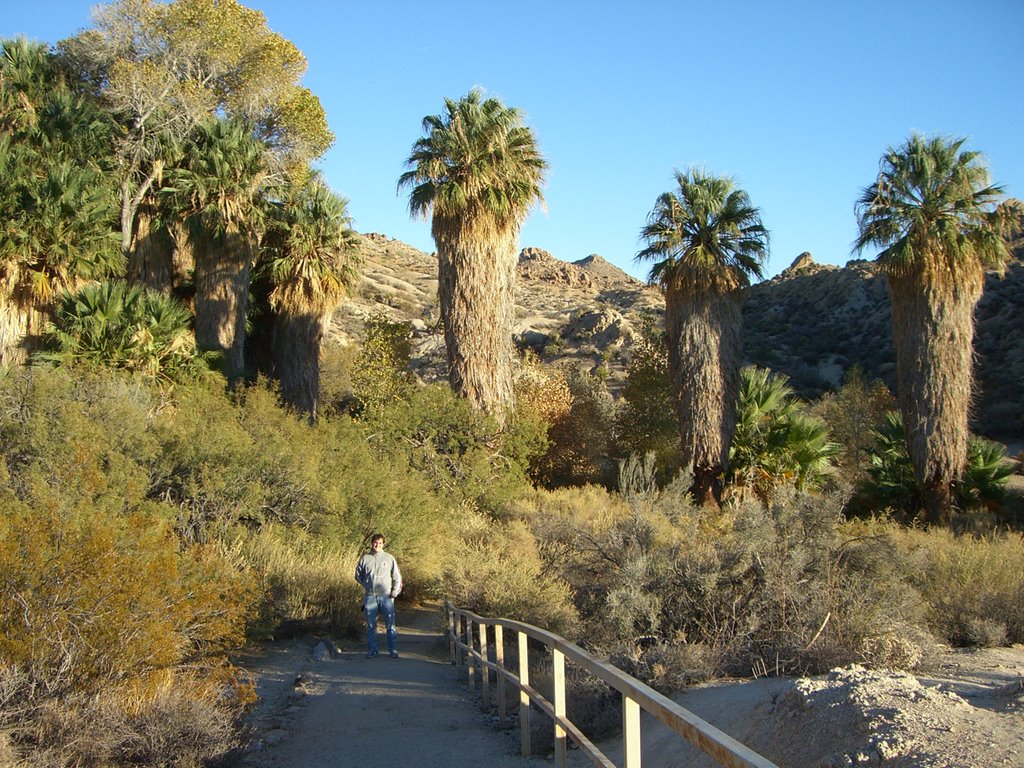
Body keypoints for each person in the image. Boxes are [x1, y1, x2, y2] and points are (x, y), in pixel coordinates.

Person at [354, 533, 403, 658]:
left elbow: (397, 576)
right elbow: (358, 575)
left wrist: (395, 591)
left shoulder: (389, 558)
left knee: (390, 624)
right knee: (371, 625)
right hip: (370, 596)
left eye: (380, 543)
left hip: (386, 597)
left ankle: (393, 650)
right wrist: (366, 584)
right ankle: (373, 650)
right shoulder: (365, 558)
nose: (377, 545)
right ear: (372, 543)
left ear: (383, 544)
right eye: (375, 543)